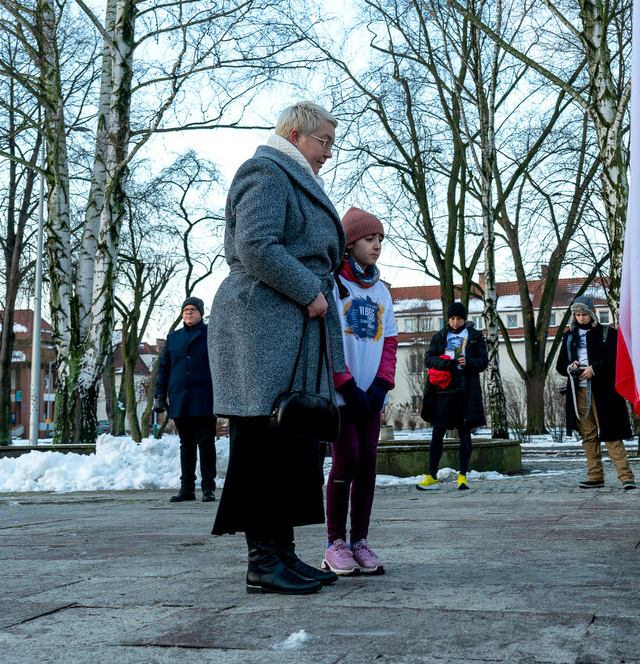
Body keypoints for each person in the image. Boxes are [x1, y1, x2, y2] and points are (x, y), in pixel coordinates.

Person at [208, 100, 345, 595]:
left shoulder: (292, 176)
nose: (330, 152)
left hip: (290, 325)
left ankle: (283, 553)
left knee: (289, 441)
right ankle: (263, 562)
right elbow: (257, 245)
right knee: (264, 442)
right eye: (323, 141)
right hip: (265, 322)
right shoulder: (265, 171)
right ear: (293, 133)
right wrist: (310, 290)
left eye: (333, 142)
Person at [322, 207, 398, 576]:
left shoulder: (382, 291)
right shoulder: (335, 284)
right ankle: (334, 542)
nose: (377, 245)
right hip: (342, 395)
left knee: (368, 463)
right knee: (347, 459)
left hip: (371, 395)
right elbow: (329, 340)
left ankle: (359, 541)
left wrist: (382, 386)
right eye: (370, 239)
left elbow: (390, 344)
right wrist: (346, 385)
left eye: (381, 239)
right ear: (350, 243)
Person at [554, 296, 636, 491]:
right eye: (578, 315)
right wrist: (570, 366)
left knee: (611, 435)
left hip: (604, 393)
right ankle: (595, 476)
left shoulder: (608, 333)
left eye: (584, 314)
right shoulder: (569, 336)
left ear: (592, 314)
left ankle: (626, 477)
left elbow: (616, 358)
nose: (581, 318)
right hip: (579, 393)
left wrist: (594, 369)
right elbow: (560, 365)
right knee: (588, 436)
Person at [416, 302, 488, 491]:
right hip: (442, 390)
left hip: (465, 391)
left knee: (465, 435)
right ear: (448, 319)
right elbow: (428, 359)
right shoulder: (440, 336)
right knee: (437, 434)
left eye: (459, 318)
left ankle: (462, 476)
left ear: (465, 319)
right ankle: (432, 476)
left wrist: (468, 362)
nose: (455, 322)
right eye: (452, 318)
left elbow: (483, 362)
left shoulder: (474, 337)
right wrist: (446, 363)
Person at [153, 296, 217, 503]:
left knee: (206, 443)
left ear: (200, 312)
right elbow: (163, 369)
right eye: (185, 310)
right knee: (186, 444)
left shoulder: (211, 335)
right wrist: (159, 396)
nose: (188, 313)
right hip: (180, 397)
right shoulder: (173, 338)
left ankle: (209, 488)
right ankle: (187, 488)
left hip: (205, 398)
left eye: (192, 309)